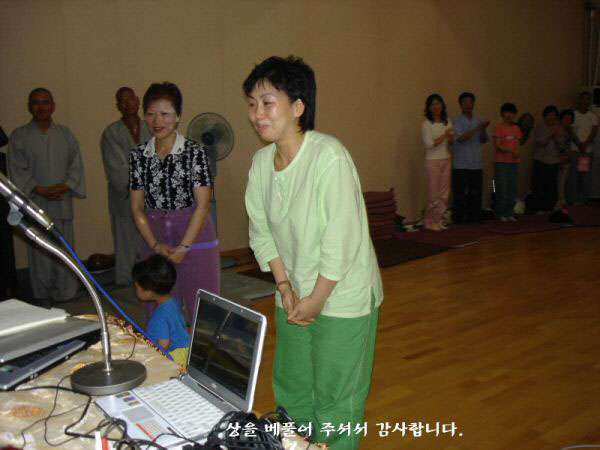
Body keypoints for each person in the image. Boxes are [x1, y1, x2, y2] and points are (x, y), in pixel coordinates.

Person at [243, 56, 383, 450]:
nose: (257, 114)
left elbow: (342, 242)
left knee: (336, 402)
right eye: (252, 104)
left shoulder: (328, 156)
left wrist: (316, 300)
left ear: (298, 106)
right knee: (293, 392)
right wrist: (285, 287)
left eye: (267, 102)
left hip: (342, 296)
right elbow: (262, 234)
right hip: (293, 294)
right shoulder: (260, 164)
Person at [129, 82, 219, 327]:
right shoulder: (138, 156)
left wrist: (184, 247)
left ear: (178, 116)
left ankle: (203, 353)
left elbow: (203, 205)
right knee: (159, 312)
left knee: (204, 310)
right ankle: (164, 353)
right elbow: (137, 208)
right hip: (154, 238)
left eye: (165, 113)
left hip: (195, 237)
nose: (157, 120)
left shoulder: (194, 152)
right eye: (151, 113)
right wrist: (155, 245)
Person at [8, 88, 86, 306]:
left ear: (53, 106)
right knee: (39, 252)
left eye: (45, 102)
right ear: (29, 106)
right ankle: (43, 296)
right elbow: (17, 169)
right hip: (35, 203)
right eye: (36, 103)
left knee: (64, 249)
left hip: (61, 202)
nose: (41, 107)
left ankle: (67, 295)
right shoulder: (20, 136)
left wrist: (64, 186)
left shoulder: (65, 135)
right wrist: (39, 189)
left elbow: (76, 167)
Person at [101, 87, 151, 286]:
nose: (127, 103)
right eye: (122, 101)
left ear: (138, 101)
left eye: (130, 99)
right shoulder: (111, 133)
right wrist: (140, 185)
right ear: (118, 106)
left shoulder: (151, 127)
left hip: (151, 199)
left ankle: (150, 284)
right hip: (124, 198)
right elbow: (117, 169)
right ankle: (125, 286)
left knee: (150, 243)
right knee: (126, 246)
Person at [132, 254, 190, 366]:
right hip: (185, 350)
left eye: (137, 287)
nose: (135, 290)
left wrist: (152, 359)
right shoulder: (173, 301)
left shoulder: (159, 317)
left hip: (174, 357)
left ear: (149, 292)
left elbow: (164, 343)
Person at [451, 92, 489, 223]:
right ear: (460, 105)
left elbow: (483, 140)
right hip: (460, 163)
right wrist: (478, 128)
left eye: (470, 102)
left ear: (473, 104)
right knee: (460, 193)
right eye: (464, 102)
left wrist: (483, 129)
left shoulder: (478, 120)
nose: (468, 105)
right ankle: (460, 218)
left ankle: (474, 217)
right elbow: (461, 138)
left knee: (476, 192)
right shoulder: (456, 121)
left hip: (476, 163)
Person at [421, 94, 454, 231]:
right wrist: (445, 135)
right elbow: (429, 144)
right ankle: (430, 222)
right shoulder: (427, 124)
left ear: (442, 105)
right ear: (429, 108)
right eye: (432, 104)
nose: (436, 107)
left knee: (444, 194)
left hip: (446, 159)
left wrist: (451, 138)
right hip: (432, 161)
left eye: (438, 103)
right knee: (433, 194)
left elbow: (450, 142)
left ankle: (439, 220)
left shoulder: (448, 122)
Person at [566, 91, 599, 205]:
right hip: (574, 150)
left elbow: (593, 133)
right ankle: (573, 199)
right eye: (583, 98)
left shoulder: (593, 116)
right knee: (573, 176)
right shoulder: (573, 115)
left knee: (584, 176)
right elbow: (570, 131)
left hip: (586, 152)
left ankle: (583, 199)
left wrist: (584, 145)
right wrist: (579, 144)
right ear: (579, 100)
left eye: (588, 99)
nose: (585, 101)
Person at [493, 102, 523, 221]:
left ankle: (509, 212)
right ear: (502, 114)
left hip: (514, 162)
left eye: (512, 113)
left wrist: (516, 152)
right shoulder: (498, 127)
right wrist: (511, 150)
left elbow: (518, 144)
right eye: (507, 112)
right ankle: (500, 213)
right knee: (501, 188)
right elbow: (498, 145)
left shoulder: (516, 128)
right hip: (501, 162)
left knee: (513, 188)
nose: (509, 115)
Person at [530, 105, 561, 214]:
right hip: (540, 160)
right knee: (539, 185)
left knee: (551, 185)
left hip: (554, 160)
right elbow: (540, 142)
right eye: (549, 114)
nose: (551, 117)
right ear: (544, 116)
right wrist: (551, 134)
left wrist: (557, 138)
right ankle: (538, 208)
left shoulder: (558, 128)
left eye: (554, 115)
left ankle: (549, 207)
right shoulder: (539, 127)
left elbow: (561, 145)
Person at [556, 109, 575, 209]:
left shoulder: (569, 130)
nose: (568, 120)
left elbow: (569, 144)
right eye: (566, 118)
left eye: (570, 118)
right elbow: (558, 146)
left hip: (567, 157)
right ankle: (559, 201)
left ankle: (562, 200)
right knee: (559, 181)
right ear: (561, 118)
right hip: (559, 158)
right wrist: (561, 158)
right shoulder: (558, 129)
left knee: (563, 180)